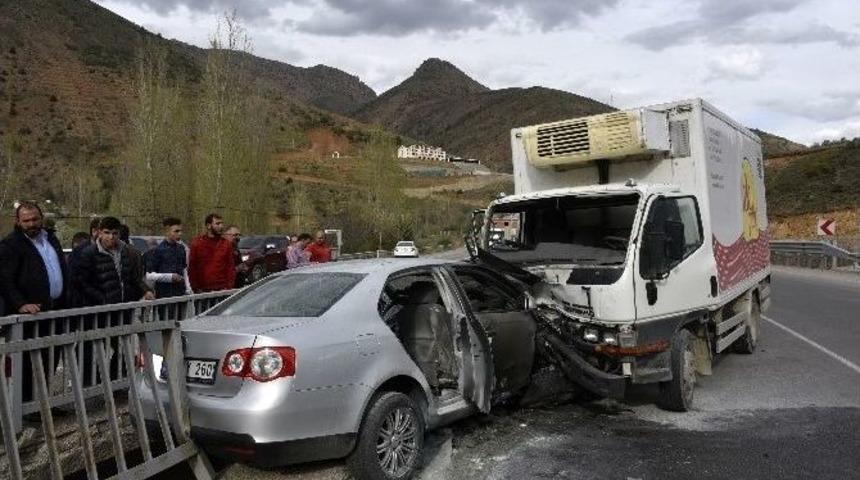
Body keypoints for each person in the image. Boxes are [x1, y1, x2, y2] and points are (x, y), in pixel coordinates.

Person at [0, 202, 68, 315]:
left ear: (42, 218)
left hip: (58, 310)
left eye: (35, 219)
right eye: (26, 221)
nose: (32, 224)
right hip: (28, 316)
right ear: (17, 221)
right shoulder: (10, 245)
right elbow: (4, 280)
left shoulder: (51, 239)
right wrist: (20, 304)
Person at [75, 216, 154, 306]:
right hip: (101, 310)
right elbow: (83, 283)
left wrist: (146, 291)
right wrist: (103, 300)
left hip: (124, 308)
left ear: (119, 234)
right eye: (107, 233)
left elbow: (133, 278)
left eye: (114, 233)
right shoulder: (89, 253)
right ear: (100, 233)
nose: (111, 237)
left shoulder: (125, 251)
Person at [188, 213, 236, 292]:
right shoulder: (197, 243)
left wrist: (228, 287)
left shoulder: (226, 244)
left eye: (222, 223)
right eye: (217, 224)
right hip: (202, 291)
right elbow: (192, 267)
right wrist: (195, 288)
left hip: (222, 289)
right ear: (208, 226)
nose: (221, 226)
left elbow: (230, 267)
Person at [146, 217, 192, 298]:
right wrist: (169, 277)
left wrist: (188, 289)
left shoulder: (181, 248)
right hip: (164, 295)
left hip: (180, 294)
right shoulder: (158, 250)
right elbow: (149, 275)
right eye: (176, 231)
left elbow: (184, 270)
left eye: (181, 231)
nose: (180, 234)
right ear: (167, 231)